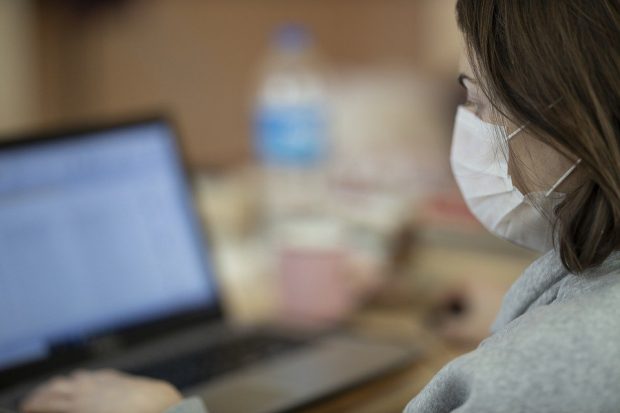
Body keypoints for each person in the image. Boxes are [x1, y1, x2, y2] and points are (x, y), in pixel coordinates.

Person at [21, 0, 620, 412]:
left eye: (481, 103)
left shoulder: (527, 377)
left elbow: (549, 370)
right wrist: (518, 310)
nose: (471, 128)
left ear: (570, 118)